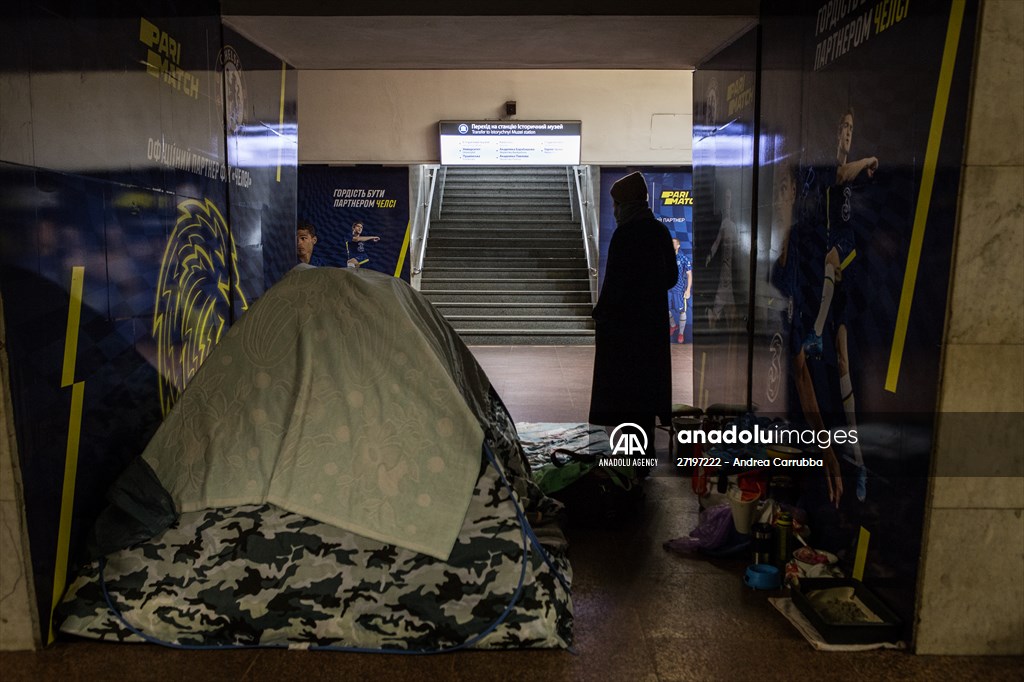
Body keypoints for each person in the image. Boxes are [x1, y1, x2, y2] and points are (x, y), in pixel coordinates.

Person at [801, 107, 876, 502]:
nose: (847, 133)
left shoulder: (843, 174)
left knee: (845, 365)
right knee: (832, 255)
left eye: (851, 127)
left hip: (845, 262)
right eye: (843, 126)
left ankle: (860, 463)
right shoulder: (832, 167)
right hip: (832, 258)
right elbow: (843, 175)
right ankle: (815, 334)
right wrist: (867, 161)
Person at [589, 171, 678, 459]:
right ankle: (645, 452)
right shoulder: (660, 232)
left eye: (616, 205)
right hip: (651, 329)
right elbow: (672, 278)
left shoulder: (625, 235)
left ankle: (632, 459)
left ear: (626, 205)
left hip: (626, 332)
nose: (614, 211)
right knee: (646, 395)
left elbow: (614, 285)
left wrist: (601, 315)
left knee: (626, 396)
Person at [771, 162, 844, 507]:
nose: (780, 196)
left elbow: (802, 370)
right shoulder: (789, 249)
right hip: (797, 383)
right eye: (778, 189)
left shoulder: (804, 243)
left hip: (815, 377)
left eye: (786, 188)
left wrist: (826, 447)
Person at [705, 187, 737, 329]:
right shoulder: (724, 224)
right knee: (723, 296)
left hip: (730, 270)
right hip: (725, 269)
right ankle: (714, 316)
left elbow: (737, 246)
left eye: (729, 198)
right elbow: (717, 242)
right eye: (725, 199)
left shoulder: (733, 226)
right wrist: (710, 255)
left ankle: (715, 315)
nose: (727, 203)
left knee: (727, 300)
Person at [668, 236, 692, 344]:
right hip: (668, 289)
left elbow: (689, 275)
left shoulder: (683, 258)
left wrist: (687, 290)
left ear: (678, 245)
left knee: (682, 311)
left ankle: (681, 333)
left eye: (673, 243)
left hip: (679, 290)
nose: (671, 244)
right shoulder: (665, 258)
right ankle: (673, 326)